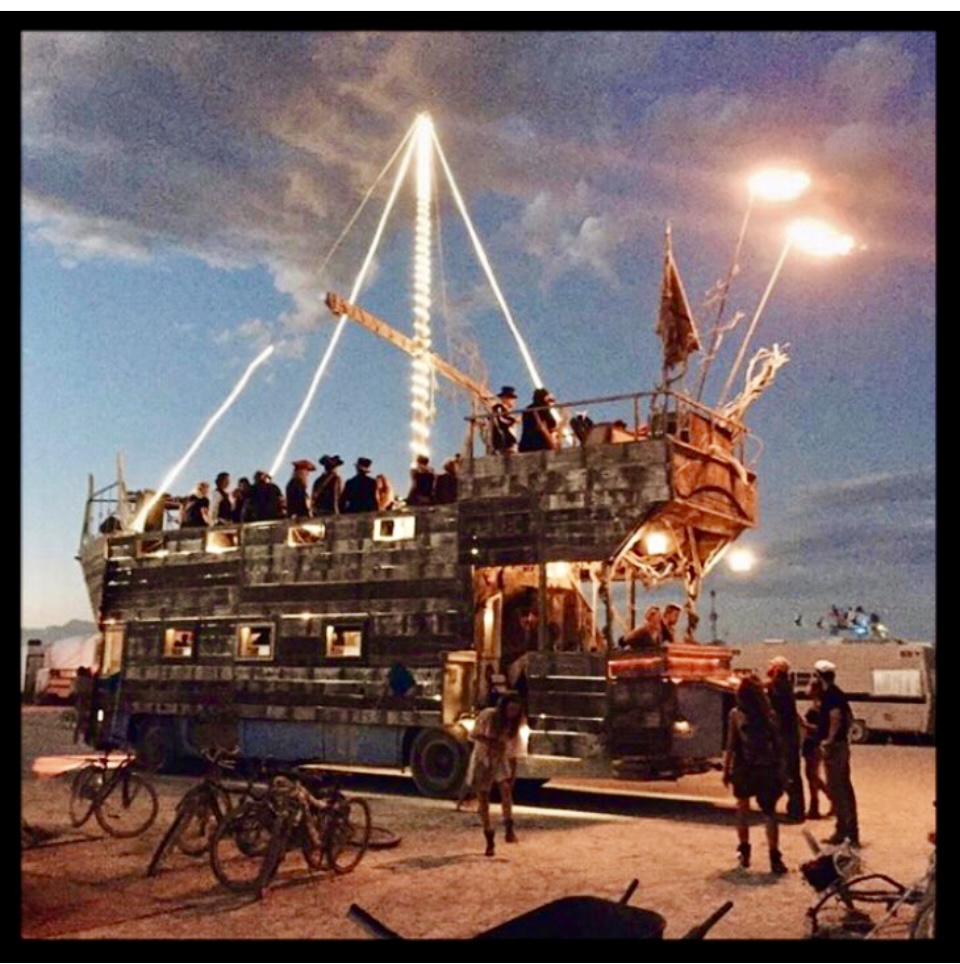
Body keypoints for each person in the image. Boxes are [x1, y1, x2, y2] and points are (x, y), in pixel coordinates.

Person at [722, 674, 789, 874]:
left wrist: (726, 769)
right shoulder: (770, 714)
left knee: (742, 809)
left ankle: (744, 852)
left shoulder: (736, 714)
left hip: (744, 767)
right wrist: (782, 768)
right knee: (769, 813)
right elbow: (778, 744)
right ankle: (775, 856)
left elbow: (731, 744)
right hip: (767, 767)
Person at [466, 692, 525, 857]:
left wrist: (513, 772)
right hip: (482, 758)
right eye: (510, 709)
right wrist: (493, 743)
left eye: (516, 710)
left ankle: (508, 826)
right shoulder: (488, 715)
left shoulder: (514, 724)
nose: (512, 713)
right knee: (483, 797)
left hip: (500, 759)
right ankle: (489, 836)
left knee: (506, 789)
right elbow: (473, 735)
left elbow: (514, 749)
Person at [814, 659, 860, 847]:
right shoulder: (839, 694)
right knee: (844, 787)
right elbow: (849, 717)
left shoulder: (830, 695)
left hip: (835, 747)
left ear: (819, 676)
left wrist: (830, 739)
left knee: (837, 788)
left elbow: (836, 717)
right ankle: (850, 830)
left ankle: (843, 831)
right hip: (842, 745)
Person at [765, 656, 805, 822]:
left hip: (784, 737)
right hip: (790, 735)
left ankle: (795, 811)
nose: (768, 669)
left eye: (770, 666)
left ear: (776, 670)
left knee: (788, 773)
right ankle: (796, 808)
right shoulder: (785, 685)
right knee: (792, 772)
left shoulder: (777, 686)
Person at [800, 677, 832, 820]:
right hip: (810, 743)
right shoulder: (819, 705)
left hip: (814, 744)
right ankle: (817, 805)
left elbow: (819, 729)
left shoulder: (819, 708)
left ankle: (823, 802)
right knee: (811, 776)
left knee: (812, 776)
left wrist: (803, 723)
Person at [518, 387, 560, 452]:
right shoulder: (543, 410)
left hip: (525, 445)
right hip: (540, 445)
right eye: (550, 400)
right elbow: (544, 427)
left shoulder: (528, 409)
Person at [490, 385, 519, 454]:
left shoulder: (508, 410)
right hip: (502, 440)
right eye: (511, 398)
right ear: (505, 398)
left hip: (509, 440)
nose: (513, 401)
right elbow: (501, 419)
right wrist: (514, 420)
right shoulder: (498, 408)